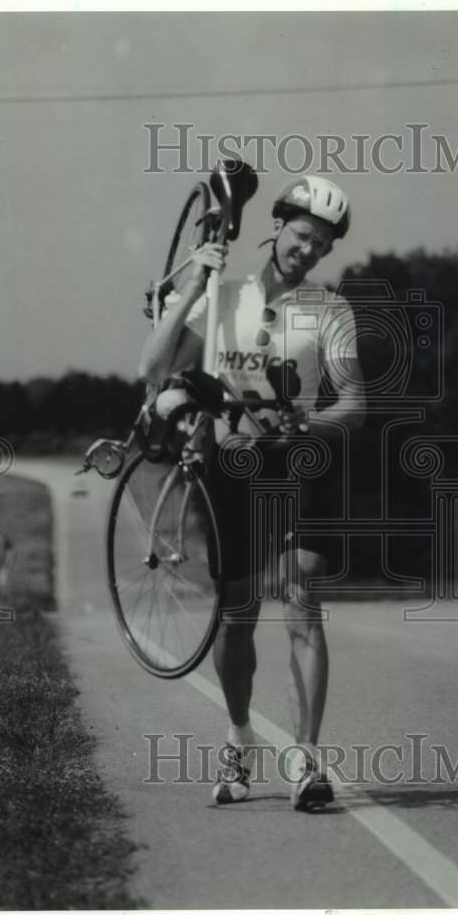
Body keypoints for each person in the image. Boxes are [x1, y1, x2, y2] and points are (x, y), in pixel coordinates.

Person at [139, 175, 365, 810]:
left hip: (299, 462)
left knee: (302, 594)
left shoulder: (331, 310)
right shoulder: (223, 296)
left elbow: (353, 403)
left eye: (321, 244)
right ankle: (240, 738)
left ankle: (305, 758)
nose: (308, 250)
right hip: (232, 467)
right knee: (237, 617)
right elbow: (153, 369)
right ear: (277, 227)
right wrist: (189, 288)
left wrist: (306, 422)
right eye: (301, 235)